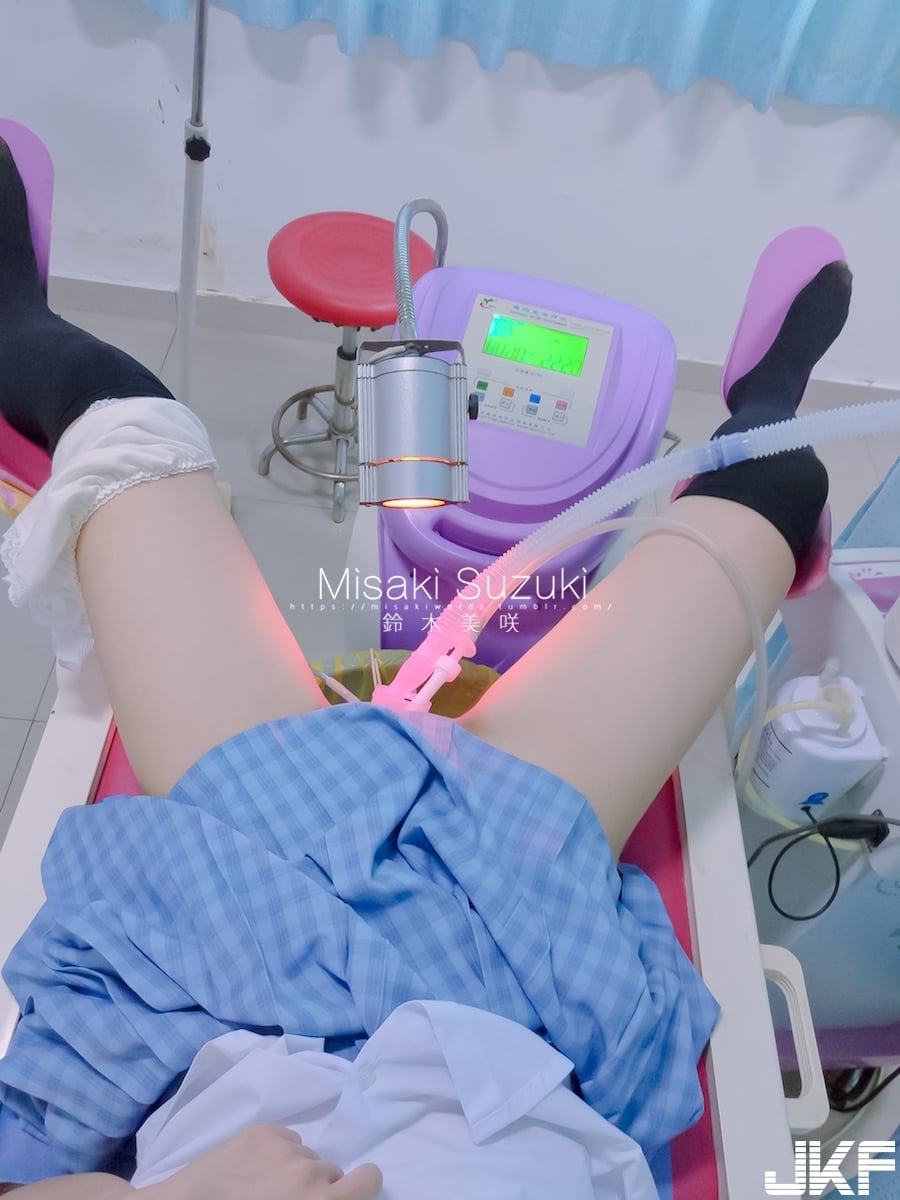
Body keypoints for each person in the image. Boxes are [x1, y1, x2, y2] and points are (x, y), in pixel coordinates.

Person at [0, 132, 850, 1195]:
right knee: (776, 487)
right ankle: (768, 394)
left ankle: (16, 317)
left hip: (225, 949)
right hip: (519, 963)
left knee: (126, 422)